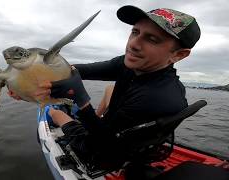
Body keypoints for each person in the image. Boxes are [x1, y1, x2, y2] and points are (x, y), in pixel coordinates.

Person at [10, 5, 201, 166]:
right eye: (135, 31)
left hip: (107, 151)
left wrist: (82, 100)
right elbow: (81, 70)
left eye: (152, 39)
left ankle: (62, 114)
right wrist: (29, 81)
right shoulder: (134, 64)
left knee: (55, 112)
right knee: (109, 90)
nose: (134, 44)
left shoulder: (156, 99)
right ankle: (92, 115)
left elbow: (102, 144)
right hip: (123, 133)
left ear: (179, 55)